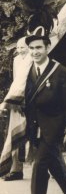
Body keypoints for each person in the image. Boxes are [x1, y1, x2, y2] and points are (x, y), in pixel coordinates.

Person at [23, 29, 66, 194]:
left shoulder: (61, 72)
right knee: (55, 164)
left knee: (39, 166)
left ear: (48, 47)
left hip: (54, 129)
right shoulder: (28, 70)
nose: (35, 52)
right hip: (35, 128)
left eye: (39, 47)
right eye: (31, 48)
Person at [2, 37, 31, 181]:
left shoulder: (33, 59)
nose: (20, 50)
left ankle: (43, 166)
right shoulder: (17, 60)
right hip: (16, 99)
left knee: (33, 135)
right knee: (13, 132)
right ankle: (16, 169)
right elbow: (16, 81)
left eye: (23, 47)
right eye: (18, 47)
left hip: (30, 100)